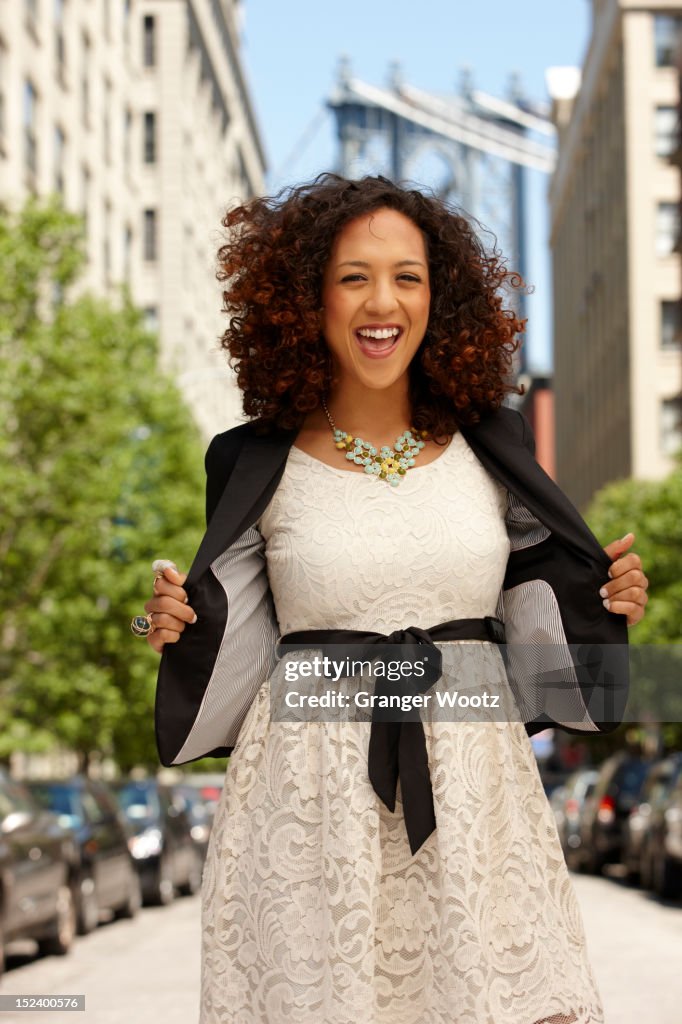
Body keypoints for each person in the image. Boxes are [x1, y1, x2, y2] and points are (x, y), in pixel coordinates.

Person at [136, 175, 649, 1024]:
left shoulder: (497, 445)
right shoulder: (251, 460)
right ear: (308, 299)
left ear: (438, 299)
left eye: (408, 276)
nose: (384, 302)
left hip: (476, 792)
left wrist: (607, 604)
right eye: (353, 277)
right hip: (308, 804)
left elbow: (543, 611)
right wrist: (170, 623)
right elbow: (230, 635)